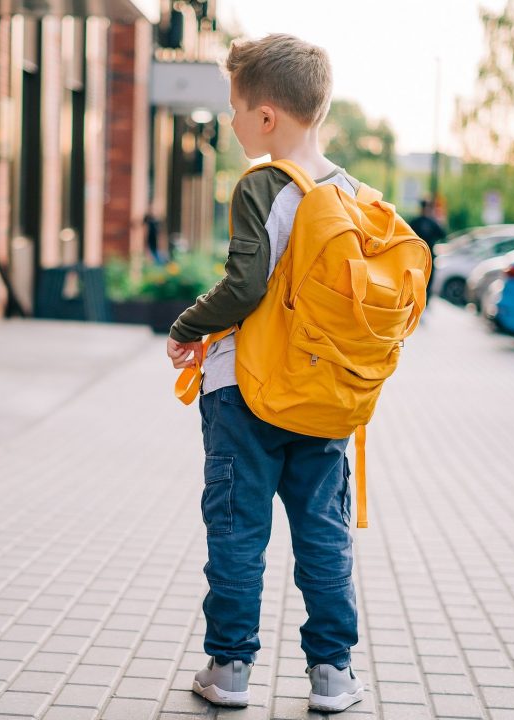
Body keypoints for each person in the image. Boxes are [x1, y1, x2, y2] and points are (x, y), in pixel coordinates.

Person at [164, 34, 366, 713]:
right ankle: (333, 675)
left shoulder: (262, 183)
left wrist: (188, 326)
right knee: (323, 533)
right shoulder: (355, 194)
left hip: (245, 393)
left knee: (238, 531)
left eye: (235, 108)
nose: (230, 121)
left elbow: (245, 284)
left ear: (268, 117)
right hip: (324, 397)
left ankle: (229, 671)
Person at [409, 199, 446, 290]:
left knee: (417, 277)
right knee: (427, 277)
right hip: (427, 255)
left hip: (417, 255)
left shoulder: (415, 222)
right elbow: (443, 234)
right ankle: (425, 298)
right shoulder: (432, 222)